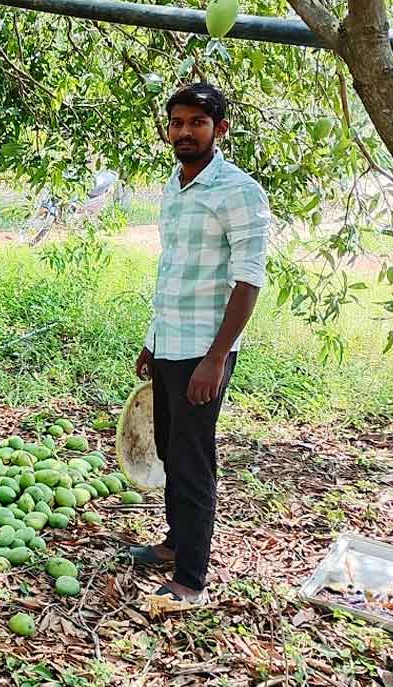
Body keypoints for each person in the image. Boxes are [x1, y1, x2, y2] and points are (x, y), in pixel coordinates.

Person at [128, 83, 272, 604]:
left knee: (192, 459)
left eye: (197, 123)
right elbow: (174, 271)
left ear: (220, 129)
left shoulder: (238, 191)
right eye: (177, 123)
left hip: (204, 354)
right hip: (170, 342)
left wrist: (215, 360)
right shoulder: (176, 183)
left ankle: (190, 577)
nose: (185, 132)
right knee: (170, 448)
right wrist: (152, 341)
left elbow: (248, 281)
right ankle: (174, 542)